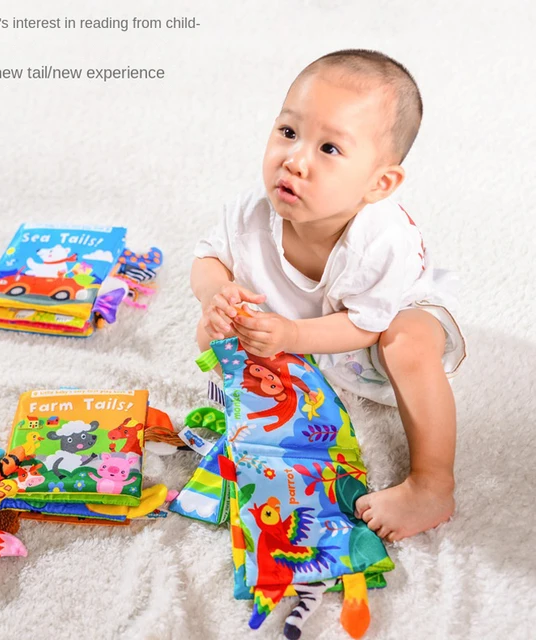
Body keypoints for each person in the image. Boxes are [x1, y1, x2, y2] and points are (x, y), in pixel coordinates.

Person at [190, 49, 467, 542]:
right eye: (288, 132)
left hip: (378, 324)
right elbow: (208, 258)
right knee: (211, 333)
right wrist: (220, 294)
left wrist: (292, 335)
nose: (294, 160)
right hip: (298, 331)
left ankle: (432, 484)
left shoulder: (383, 242)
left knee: (408, 341)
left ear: (379, 183)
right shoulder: (253, 212)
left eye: (329, 149)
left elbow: (365, 325)